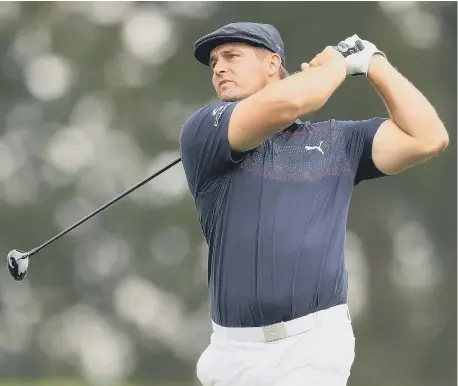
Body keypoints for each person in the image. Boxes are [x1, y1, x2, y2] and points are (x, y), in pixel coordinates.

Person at [179, 22, 449, 386]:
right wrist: (336, 64)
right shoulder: (205, 130)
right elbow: (291, 101)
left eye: (231, 57)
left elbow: (428, 137)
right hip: (232, 353)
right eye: (214, 62)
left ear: (273, 64)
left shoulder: (338, 141)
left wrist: (373, 62)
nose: (219, 68)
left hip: (313, 346)